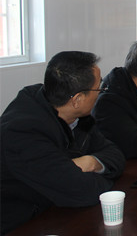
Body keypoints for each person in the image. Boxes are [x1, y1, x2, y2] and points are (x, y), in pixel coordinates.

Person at [1, 51, 125, 234]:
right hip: (20, 225)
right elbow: (83, 191)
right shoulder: (22, 133)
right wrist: (87, 175)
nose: (100, 92)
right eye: (98, 87)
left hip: (54, 214)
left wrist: (92, 162)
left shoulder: (74, 116)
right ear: (77, 100)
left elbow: (115, 154)